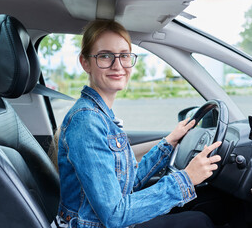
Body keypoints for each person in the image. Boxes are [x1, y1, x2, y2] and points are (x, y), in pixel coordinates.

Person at [52, 19, 222, 228]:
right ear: (85, 62)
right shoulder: (87, 121)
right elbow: (115, 215)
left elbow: (126, 185)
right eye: (105, 56)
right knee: (200, 222)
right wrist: (186, 179)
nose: (118, 65)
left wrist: (168, 143)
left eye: (124, 55)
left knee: (199, 218)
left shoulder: (101, 116)